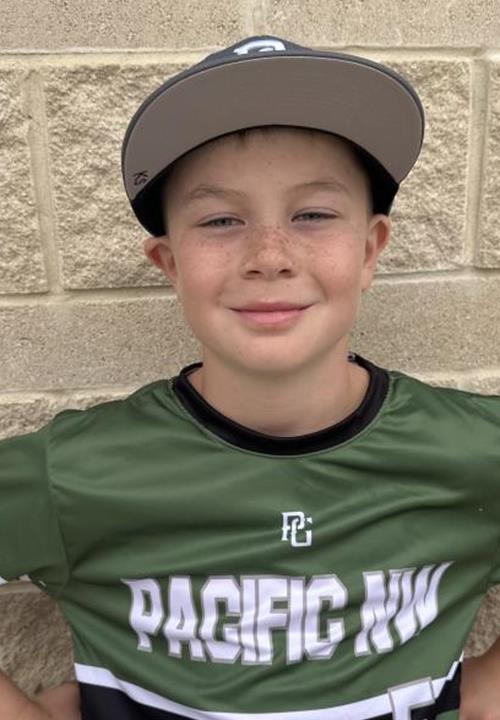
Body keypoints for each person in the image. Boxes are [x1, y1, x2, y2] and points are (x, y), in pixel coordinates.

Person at [1, 35, 500, 720]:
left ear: (369, 250)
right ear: (170, 263)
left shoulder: (473, 451)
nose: (270, 255)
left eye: (313, 214)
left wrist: (482, 692)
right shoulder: (75, 473)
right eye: (221, 220)